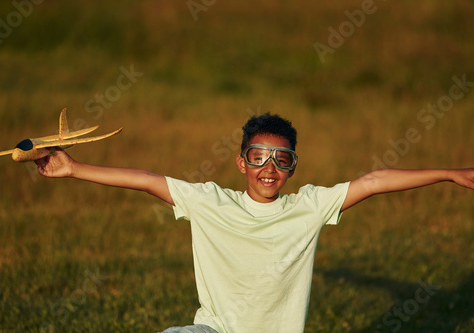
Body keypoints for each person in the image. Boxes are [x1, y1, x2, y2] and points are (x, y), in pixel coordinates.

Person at [35, 113, 474, 333]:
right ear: (241, 162)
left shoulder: (309, 207)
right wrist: (74, 169)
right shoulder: (210, 201)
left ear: (293, 168)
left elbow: (374, 180)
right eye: (258, 157)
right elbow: (147, 181)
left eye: (282, 159)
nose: (269, 168)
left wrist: (449, 173)